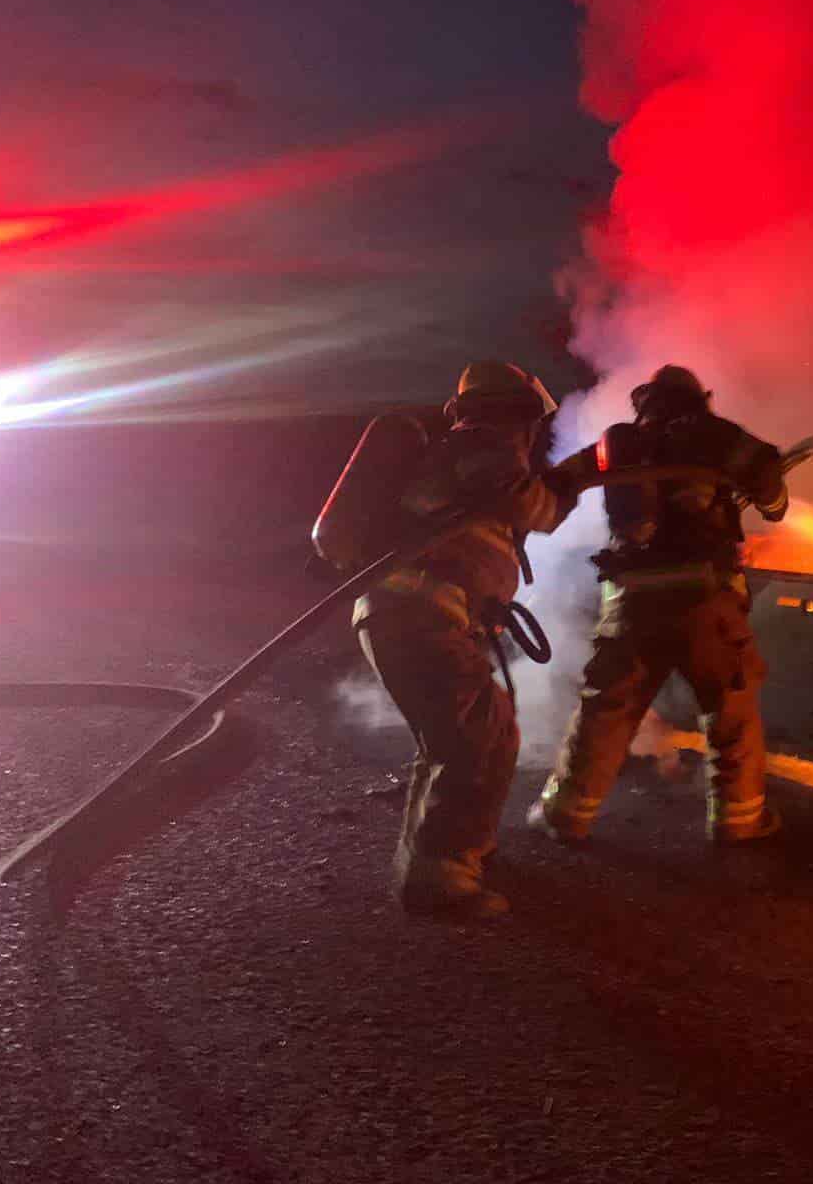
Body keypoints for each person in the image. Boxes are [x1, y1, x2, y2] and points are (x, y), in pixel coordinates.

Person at [322, 361, 577, 919]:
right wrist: (573, 482)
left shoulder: (454, 456)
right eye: (530, 422)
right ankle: (441, 879)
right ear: (520, 415)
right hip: (421, 613)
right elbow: (541, 509)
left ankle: (448, 854)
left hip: (411, 613)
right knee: (474, 740)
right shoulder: (487, 448)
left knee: (473, 733)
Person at [528, 364, 788, 844]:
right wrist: (759, 505)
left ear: (644, 402)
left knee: (606, 711)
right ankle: (739, 824)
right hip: (705, 601)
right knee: (728, 709)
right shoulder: (716, 437)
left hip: (630, 604)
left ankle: (566, 815)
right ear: (698, 400)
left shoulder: (618, 444)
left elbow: (554, 491)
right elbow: (771, 486)